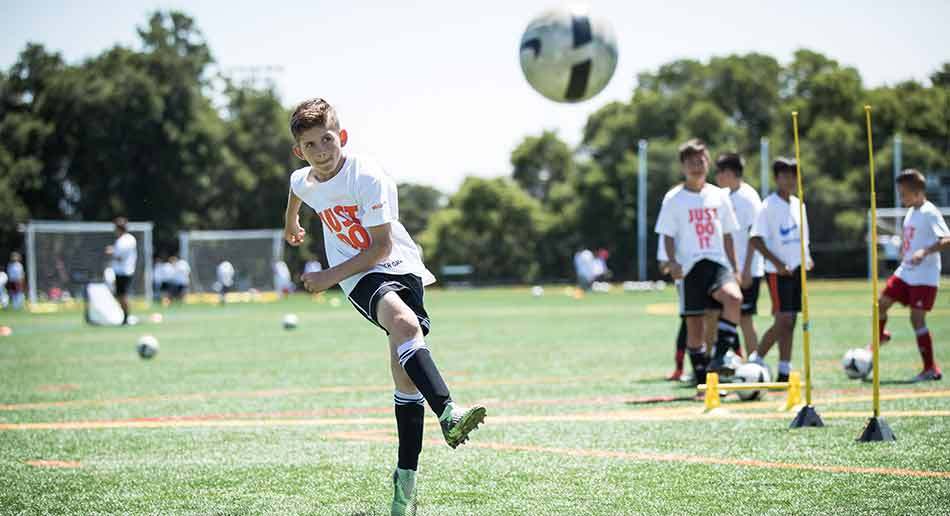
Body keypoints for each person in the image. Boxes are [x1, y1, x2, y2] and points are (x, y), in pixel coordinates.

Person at [281, 98, 486, 515]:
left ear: (342, 136)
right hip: (358, 276)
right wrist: (293, 224)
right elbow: (295, 189)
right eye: (311, 145)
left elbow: (381, 248)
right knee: (406, 326)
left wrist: (324, 277)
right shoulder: (304, 178)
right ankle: (448, 412)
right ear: (299, 151)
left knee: (405, 376)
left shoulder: (368, 176)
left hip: (397, 264)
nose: (322, 151)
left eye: (328, 139)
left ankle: (404, 485)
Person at [655, 139, 743, 384]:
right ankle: (703, 380)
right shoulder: (673, 199)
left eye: (701, 160)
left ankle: (722, 355)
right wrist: (671, 262)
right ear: (683, 166)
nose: (697, 165)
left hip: (716, 263)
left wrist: (735, 268)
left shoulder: (719, 195)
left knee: (734, 299)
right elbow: (667, 234)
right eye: (691, 161)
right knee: (695, 330)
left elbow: (727, 234)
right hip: (689, 268)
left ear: (708, 163)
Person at [877, 169, 950, 382]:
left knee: (916, 318)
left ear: (917, 192)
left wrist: (924, 251)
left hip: (924, 276)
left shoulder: (929, 211)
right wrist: (905, 249)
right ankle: (880, 336)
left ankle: (931, 369)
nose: (901, 197)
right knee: (881, 303)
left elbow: (947, 238)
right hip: (906, 271)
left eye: (904, 193)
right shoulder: (911, 211)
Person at [748, 158, 813, 383]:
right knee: (783, 320)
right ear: (776, 179)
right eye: (785, 176)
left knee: (792, 321)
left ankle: (784, 370)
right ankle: (756, 359)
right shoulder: (768, 206)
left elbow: (803, 238)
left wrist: (807, 257)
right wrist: (777, 264)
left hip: (797, 270)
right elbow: (755, 239)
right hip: (777, 273)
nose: (790, 180)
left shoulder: (799, 204)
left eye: (794, 175)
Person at [715, 152, 766, 357]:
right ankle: (727, 361)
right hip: (726, 269)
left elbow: (755, 236)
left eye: (719, 172)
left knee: (745, 318)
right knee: (722, 316)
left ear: (729, 172)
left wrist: (745, 271)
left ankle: (755, 363)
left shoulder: (749, 197)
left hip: (748, 269)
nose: (716, 176)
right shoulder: (724, 196)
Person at [105, 218, 137, 324]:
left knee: (122, 295)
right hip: (120, 271)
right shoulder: (124, 239)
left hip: (124, 271)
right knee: (120, 295)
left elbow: (120, 257)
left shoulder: (125, 240)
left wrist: (111, 252)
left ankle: (127, 317)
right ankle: (125, 316)